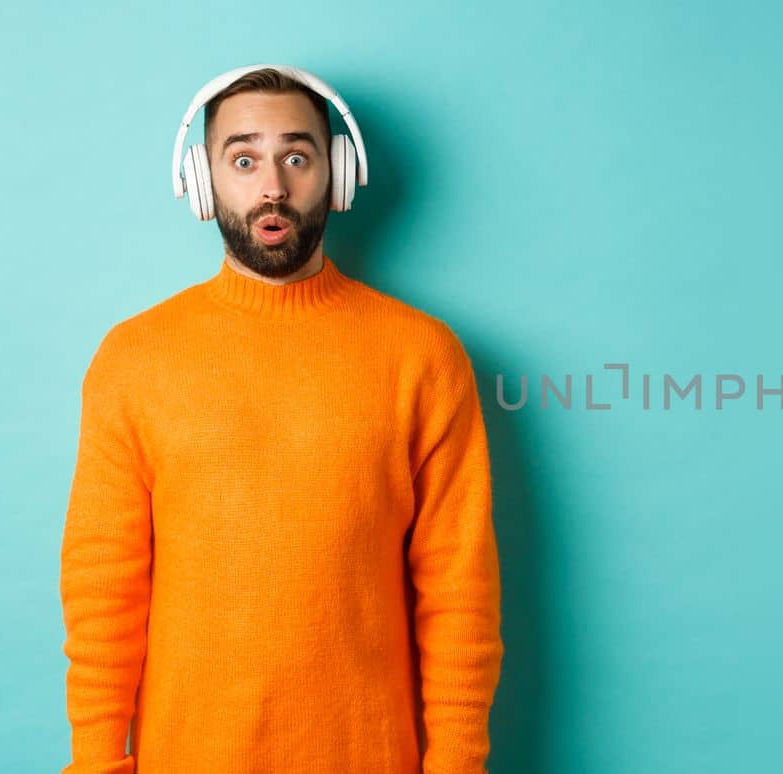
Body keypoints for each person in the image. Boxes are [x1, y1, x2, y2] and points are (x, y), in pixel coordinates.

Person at [57, 65, 504, 774]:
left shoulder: (424, 354)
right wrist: (95, 762)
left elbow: (459, 591)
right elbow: (103, 586)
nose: (272, 186)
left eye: (296, 157)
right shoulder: (133, 358)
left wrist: (456, 765)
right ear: (202, 180)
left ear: (339, 174)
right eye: (243, 159)